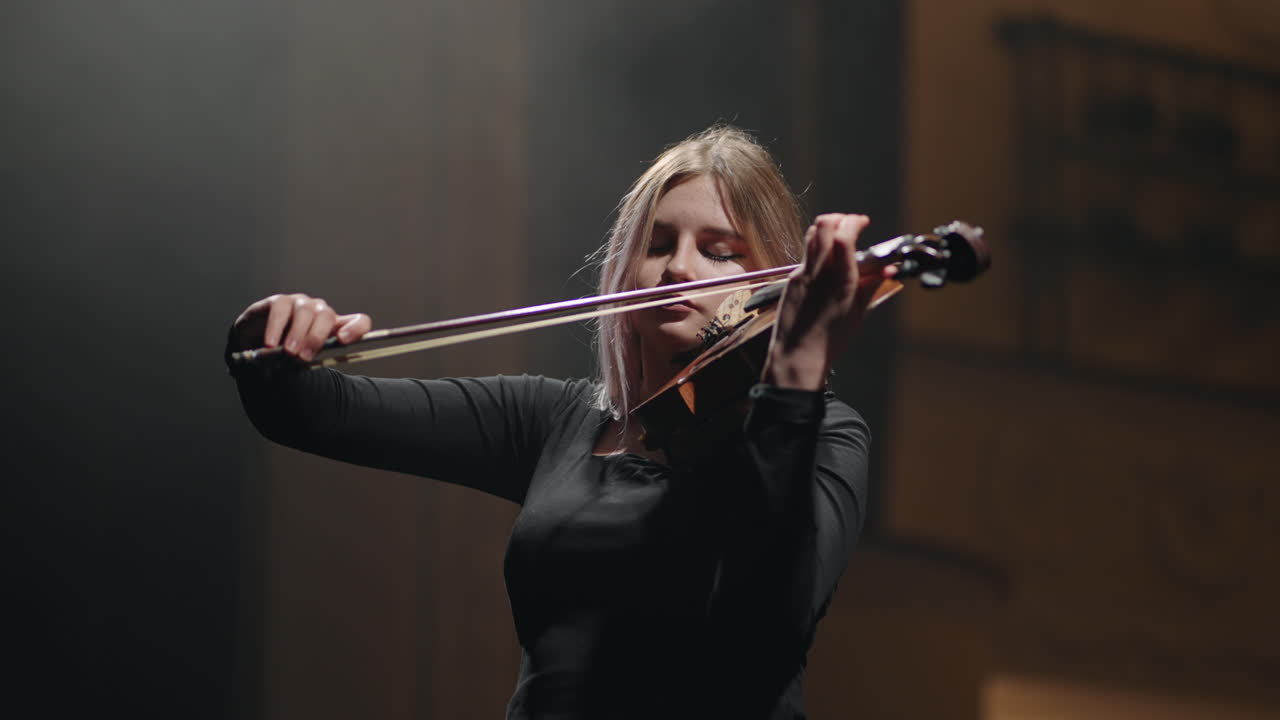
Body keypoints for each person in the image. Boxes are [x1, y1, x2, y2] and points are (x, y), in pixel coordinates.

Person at [228, 124, 893, 719]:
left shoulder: (823, 433)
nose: (678, 267)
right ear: (624, 268)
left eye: (720, 250)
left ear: (776, 280)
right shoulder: (560, 419)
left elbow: (773, 623)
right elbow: (316, 413)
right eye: (659, 243)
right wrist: (267, 340)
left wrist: (793, 379)